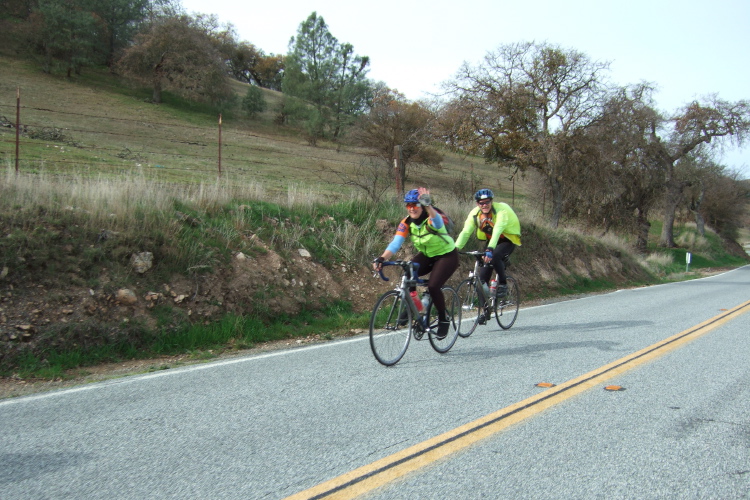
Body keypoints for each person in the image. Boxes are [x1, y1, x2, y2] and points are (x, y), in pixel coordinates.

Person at [372, 187, 459, 339]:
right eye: (408, 205)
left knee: (433, 286)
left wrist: (428, 205)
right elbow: (396, 243)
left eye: (415, 205)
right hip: (427, 255)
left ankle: (443, 319)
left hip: (447, 256)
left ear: (422, 206)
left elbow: (438, 223)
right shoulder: (406, 222)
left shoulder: (430, 218)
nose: (412, 208)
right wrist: (382, 258)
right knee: (408, 270)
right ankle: (414, 306)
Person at [454, 188, 521, 316]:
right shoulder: (475, 215)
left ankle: (502, 283)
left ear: (491, 201)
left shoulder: (501, 211)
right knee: (481, 280)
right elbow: (466, 232)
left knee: (495, 256)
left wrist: (490, 250)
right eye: (481, 203)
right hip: (491, 242)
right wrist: (455, 249)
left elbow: (498, 229)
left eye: (487, 202)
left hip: (507, 240)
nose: (484, 205)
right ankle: (486, 310)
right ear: (477, 204)